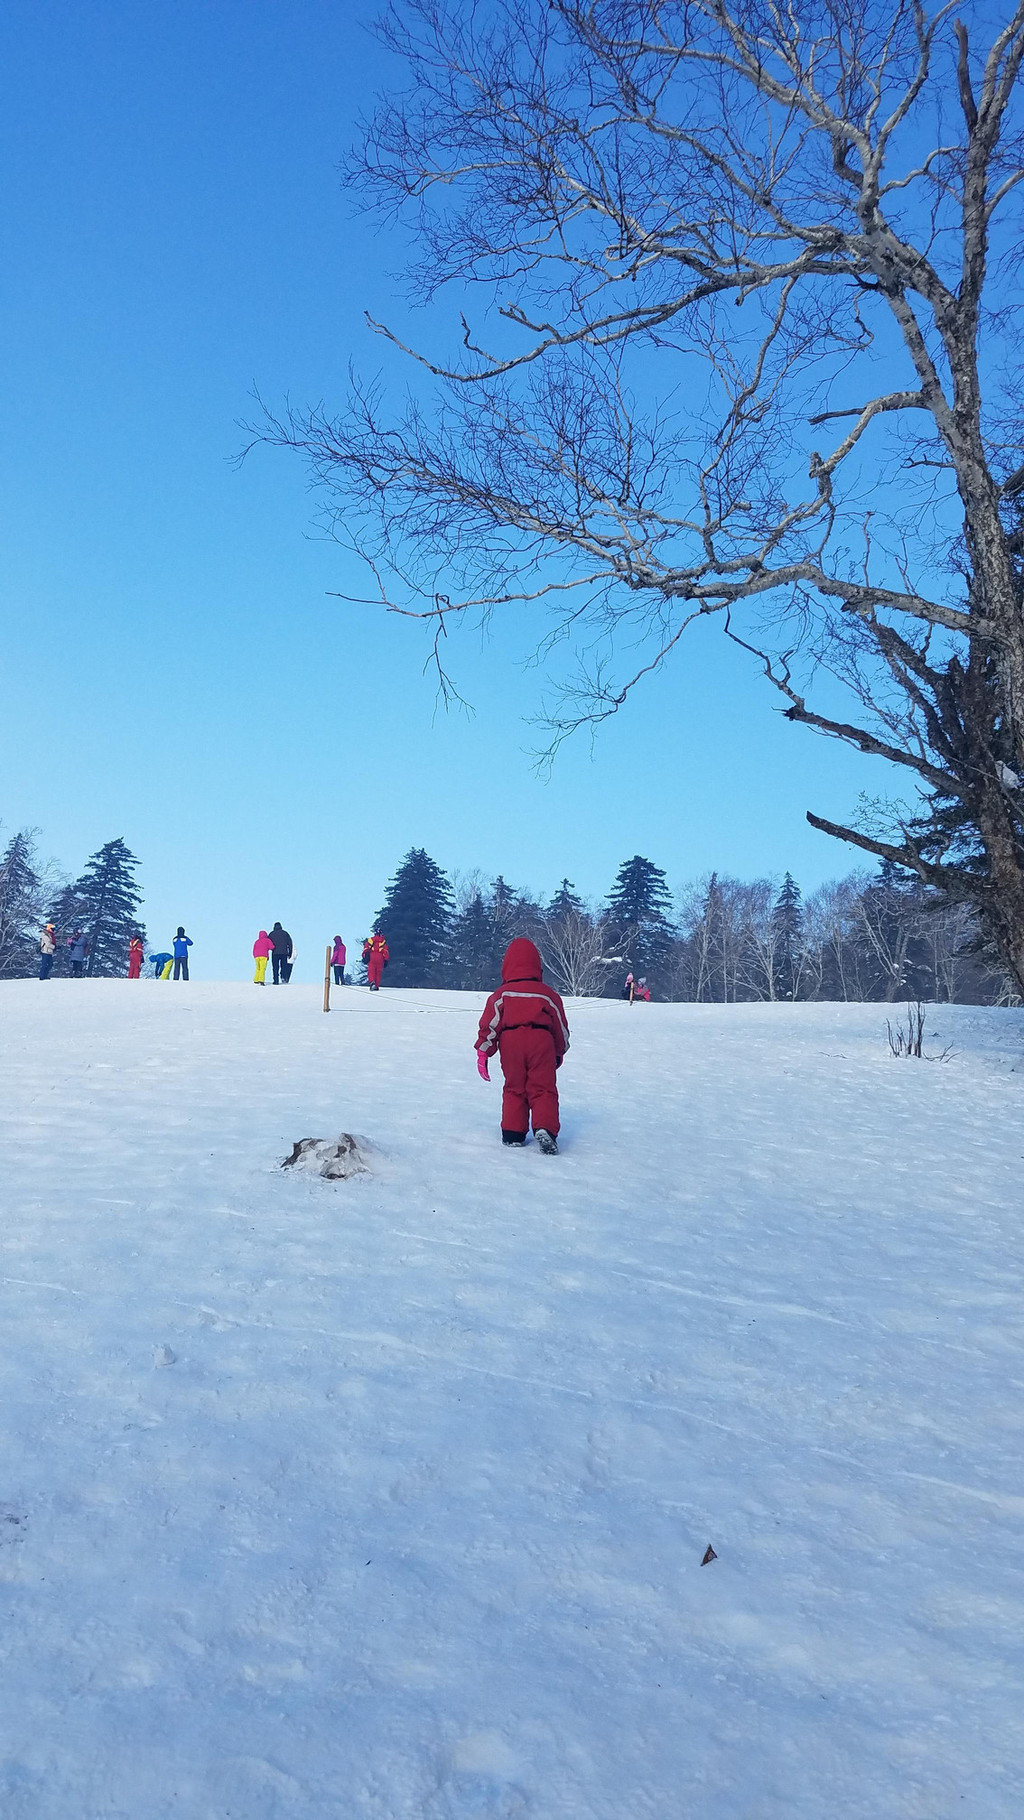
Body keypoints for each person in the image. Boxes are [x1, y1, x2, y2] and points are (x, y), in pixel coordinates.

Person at [475, 936, 569, 1154]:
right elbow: (560, 1027)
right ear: (536, 965)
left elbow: (489, 1025)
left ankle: (513, 1132)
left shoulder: (501, 995)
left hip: (511, 1043)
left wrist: (483, 1052)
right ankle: (545, 1127)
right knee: (543, 1088)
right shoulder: (547, 995)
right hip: (541, 1040)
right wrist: (559, 1049)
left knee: (514, 1087)